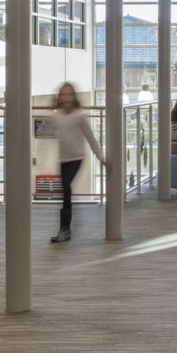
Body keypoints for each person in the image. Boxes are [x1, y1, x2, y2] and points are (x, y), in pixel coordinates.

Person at [46, 82, 108, 244]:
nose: (65, 97)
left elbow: (91, 139)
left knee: (66, 188)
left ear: (74, 97)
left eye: (68, 94)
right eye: (62, 94)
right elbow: (47, 136)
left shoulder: (80, 116)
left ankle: (64, 229)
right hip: (63, 159)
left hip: (77, 158)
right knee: (65, 192)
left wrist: (101, 158)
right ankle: (65, 228)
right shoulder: (56, 115)